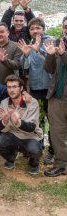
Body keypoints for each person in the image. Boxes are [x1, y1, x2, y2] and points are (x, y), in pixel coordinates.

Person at [18, 17, 54, 161]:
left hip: (49, 89)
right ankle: (37, 147)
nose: (35, 31)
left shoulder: (49, 41)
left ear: (43, 29)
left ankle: (53, 150)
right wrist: (26, 55)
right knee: (37, 120)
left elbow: (52, 61)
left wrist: (39, 50)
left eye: (38, 28)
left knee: (52, 120)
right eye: (32, 29)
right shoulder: (30, 44)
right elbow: (25, 67)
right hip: (34, 89)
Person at [0, 75, 43, 175]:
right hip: (13, 135)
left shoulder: (32, 103)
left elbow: (31, 127)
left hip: (31, 136)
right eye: (9, 87)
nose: (11, 90)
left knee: (35, 150)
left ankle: (33, 163)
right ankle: (11, 157)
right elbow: (0, 128)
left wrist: (18, 122)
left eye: (14, 87)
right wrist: (5, 120)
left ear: (21, 88)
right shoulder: (4, 103)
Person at [43, 21, 67, 177]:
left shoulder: (62, 49)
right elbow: (49, 69)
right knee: (57, 134)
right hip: (57, 97)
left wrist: (63, 54)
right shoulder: (58, 43)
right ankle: (62, 164)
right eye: (65, 26)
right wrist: (51, 55)